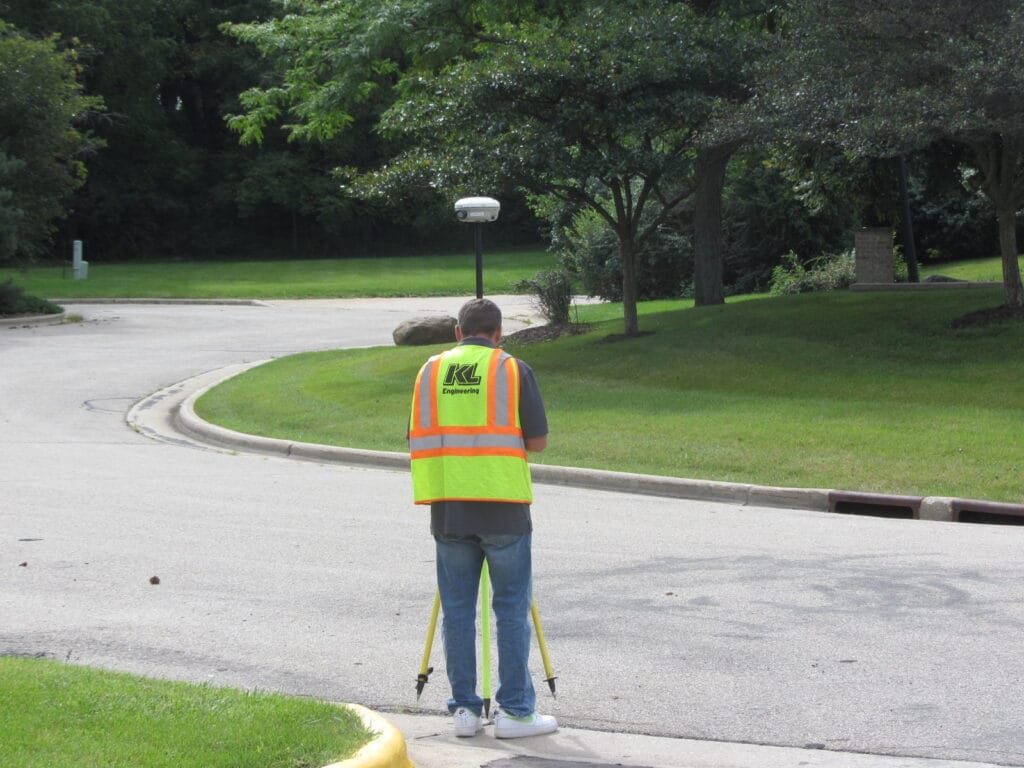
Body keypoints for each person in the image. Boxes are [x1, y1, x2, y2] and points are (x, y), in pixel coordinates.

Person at [409, 297, 558, 739]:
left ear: (458, 332)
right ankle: (514, 713)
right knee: (511, 609)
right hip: (504, 508)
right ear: (498, 333)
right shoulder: (512, 369)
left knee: (457, 610)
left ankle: (465, 713)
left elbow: (417, 435)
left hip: (449, 508)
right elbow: (539, 443)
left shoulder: (430, 371)